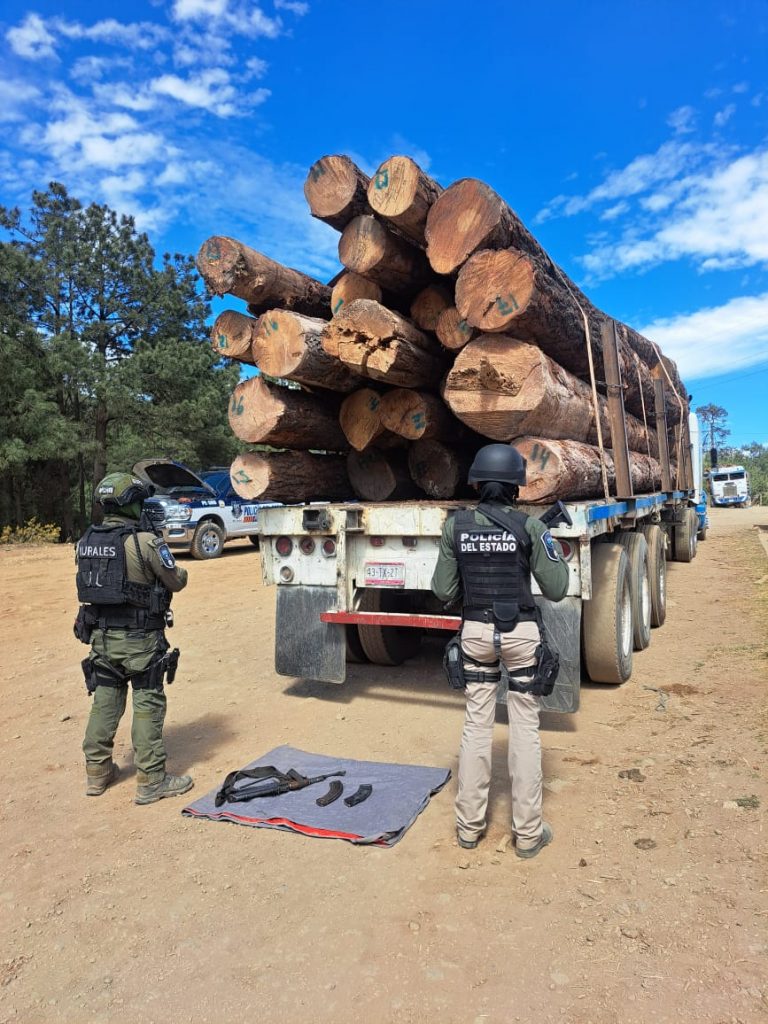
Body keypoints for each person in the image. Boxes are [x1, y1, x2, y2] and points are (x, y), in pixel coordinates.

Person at [431, 444, 569, 858]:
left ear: (476, 482)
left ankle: (468, 829)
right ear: (517, 487)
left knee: (477, 726)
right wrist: (540, 546)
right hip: (521, 635)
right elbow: (558, 588)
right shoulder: (530, 528)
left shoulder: (456, 527)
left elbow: (443, 590)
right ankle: (528, 836)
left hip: (475, 634)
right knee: (524, 728)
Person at [74, 472, 193, 805]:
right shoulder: (145, 542)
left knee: (105, 700)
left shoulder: (86, 540)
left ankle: (97, 774)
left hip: (101, 639)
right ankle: (152, 780)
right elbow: (176, 580)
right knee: (147, 702)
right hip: (141, 640)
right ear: (129, 504)